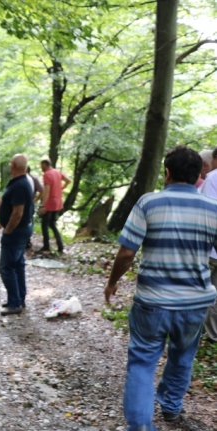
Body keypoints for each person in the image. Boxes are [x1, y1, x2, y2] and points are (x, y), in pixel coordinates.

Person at [104, 145, 217, 430]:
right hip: (194, 304)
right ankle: (171, 409)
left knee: (142, 363)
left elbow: (127, 253)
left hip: (152, 302)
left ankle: (141, 426)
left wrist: (113, 282)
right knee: (182, 356)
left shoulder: (148, 203)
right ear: (199, 174)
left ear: (166, 172)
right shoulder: (213, 209)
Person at [0, 154, 34, 315]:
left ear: (14, 166)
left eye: (10, 163)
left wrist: (8, 230)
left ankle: (15, 303)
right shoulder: (23, 181)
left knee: (6, 267)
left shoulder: (20, 185)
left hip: (17, 232)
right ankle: (19, 299)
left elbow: (17, 213)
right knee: (18, 265)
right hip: (23, 230)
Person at [197, 147, 217, 343]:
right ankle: (212, 334)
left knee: (202, 289)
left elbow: (209, 211)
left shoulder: (212, 178)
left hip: (210, 248)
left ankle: (201, 332)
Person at [39, 157, 71, 254]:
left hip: (49, 204)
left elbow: (47, 192)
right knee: (52, 224)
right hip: (58, 203)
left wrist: (42, 206)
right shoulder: (57, 172)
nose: (41, 167)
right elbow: (68, 180)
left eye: (41, 165)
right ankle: (60, 246)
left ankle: (46, 247)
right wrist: (60, 188)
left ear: (45, 164)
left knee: (44, 225)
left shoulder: (47, 174)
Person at [25, 166, 43, 249]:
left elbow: (42, 190)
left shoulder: (33, 179)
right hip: (27, 202)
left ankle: (27, 240)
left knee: (29, 220)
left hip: (30, 202)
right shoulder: (30, 178)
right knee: (27, 220)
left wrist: (36, 199)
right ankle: (26, 240)